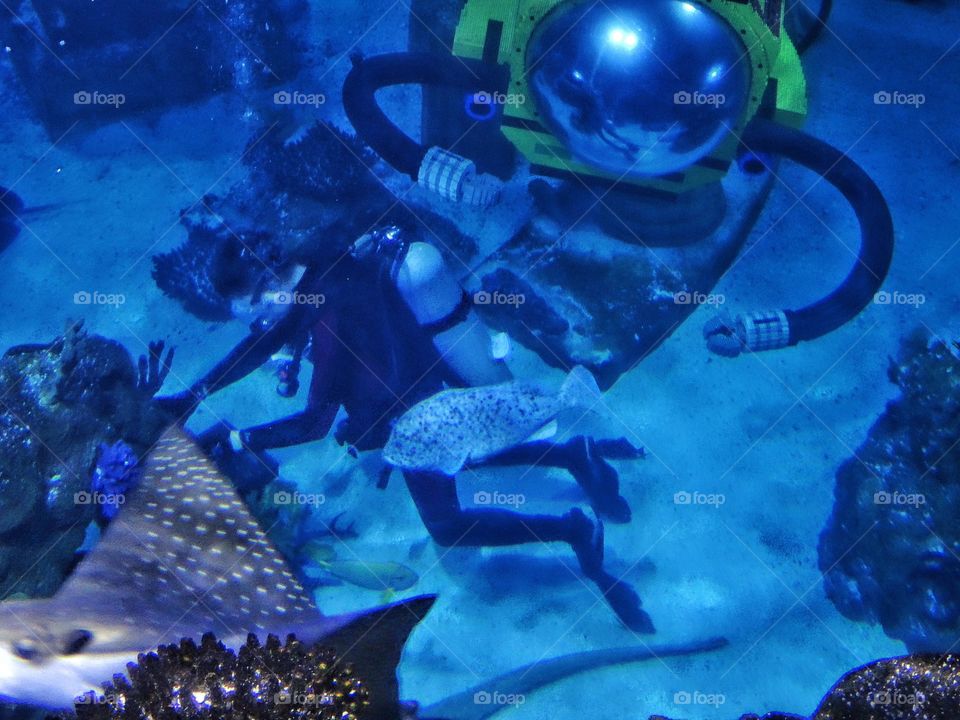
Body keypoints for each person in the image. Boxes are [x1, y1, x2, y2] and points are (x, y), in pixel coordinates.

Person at [161, 224, 653, 632]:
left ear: (271, 286)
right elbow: (268, 341)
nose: (259, 321)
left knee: (446, 526)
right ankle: (573, 454)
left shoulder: (327, 325)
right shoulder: (317, 263)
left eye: (256, 307)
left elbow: (313, 424)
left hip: (412, 415)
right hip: (425, 385)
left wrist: (239, 439)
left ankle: (573, 528)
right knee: (471, 455)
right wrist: (197, 390)